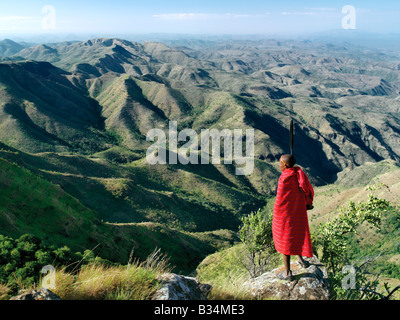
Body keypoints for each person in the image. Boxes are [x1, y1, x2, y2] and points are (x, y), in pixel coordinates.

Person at [272, 154, 314, 281]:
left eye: (280, 163)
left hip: (286, 215)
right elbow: (305, 190)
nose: (278, 165)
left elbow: (281, 200)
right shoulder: (298, 173)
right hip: (298, 211)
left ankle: (288, 273)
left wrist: (277, 213)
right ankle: (301, 260)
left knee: (286, 240)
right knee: (297, 233)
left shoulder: (284, 178)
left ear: (285, 165)